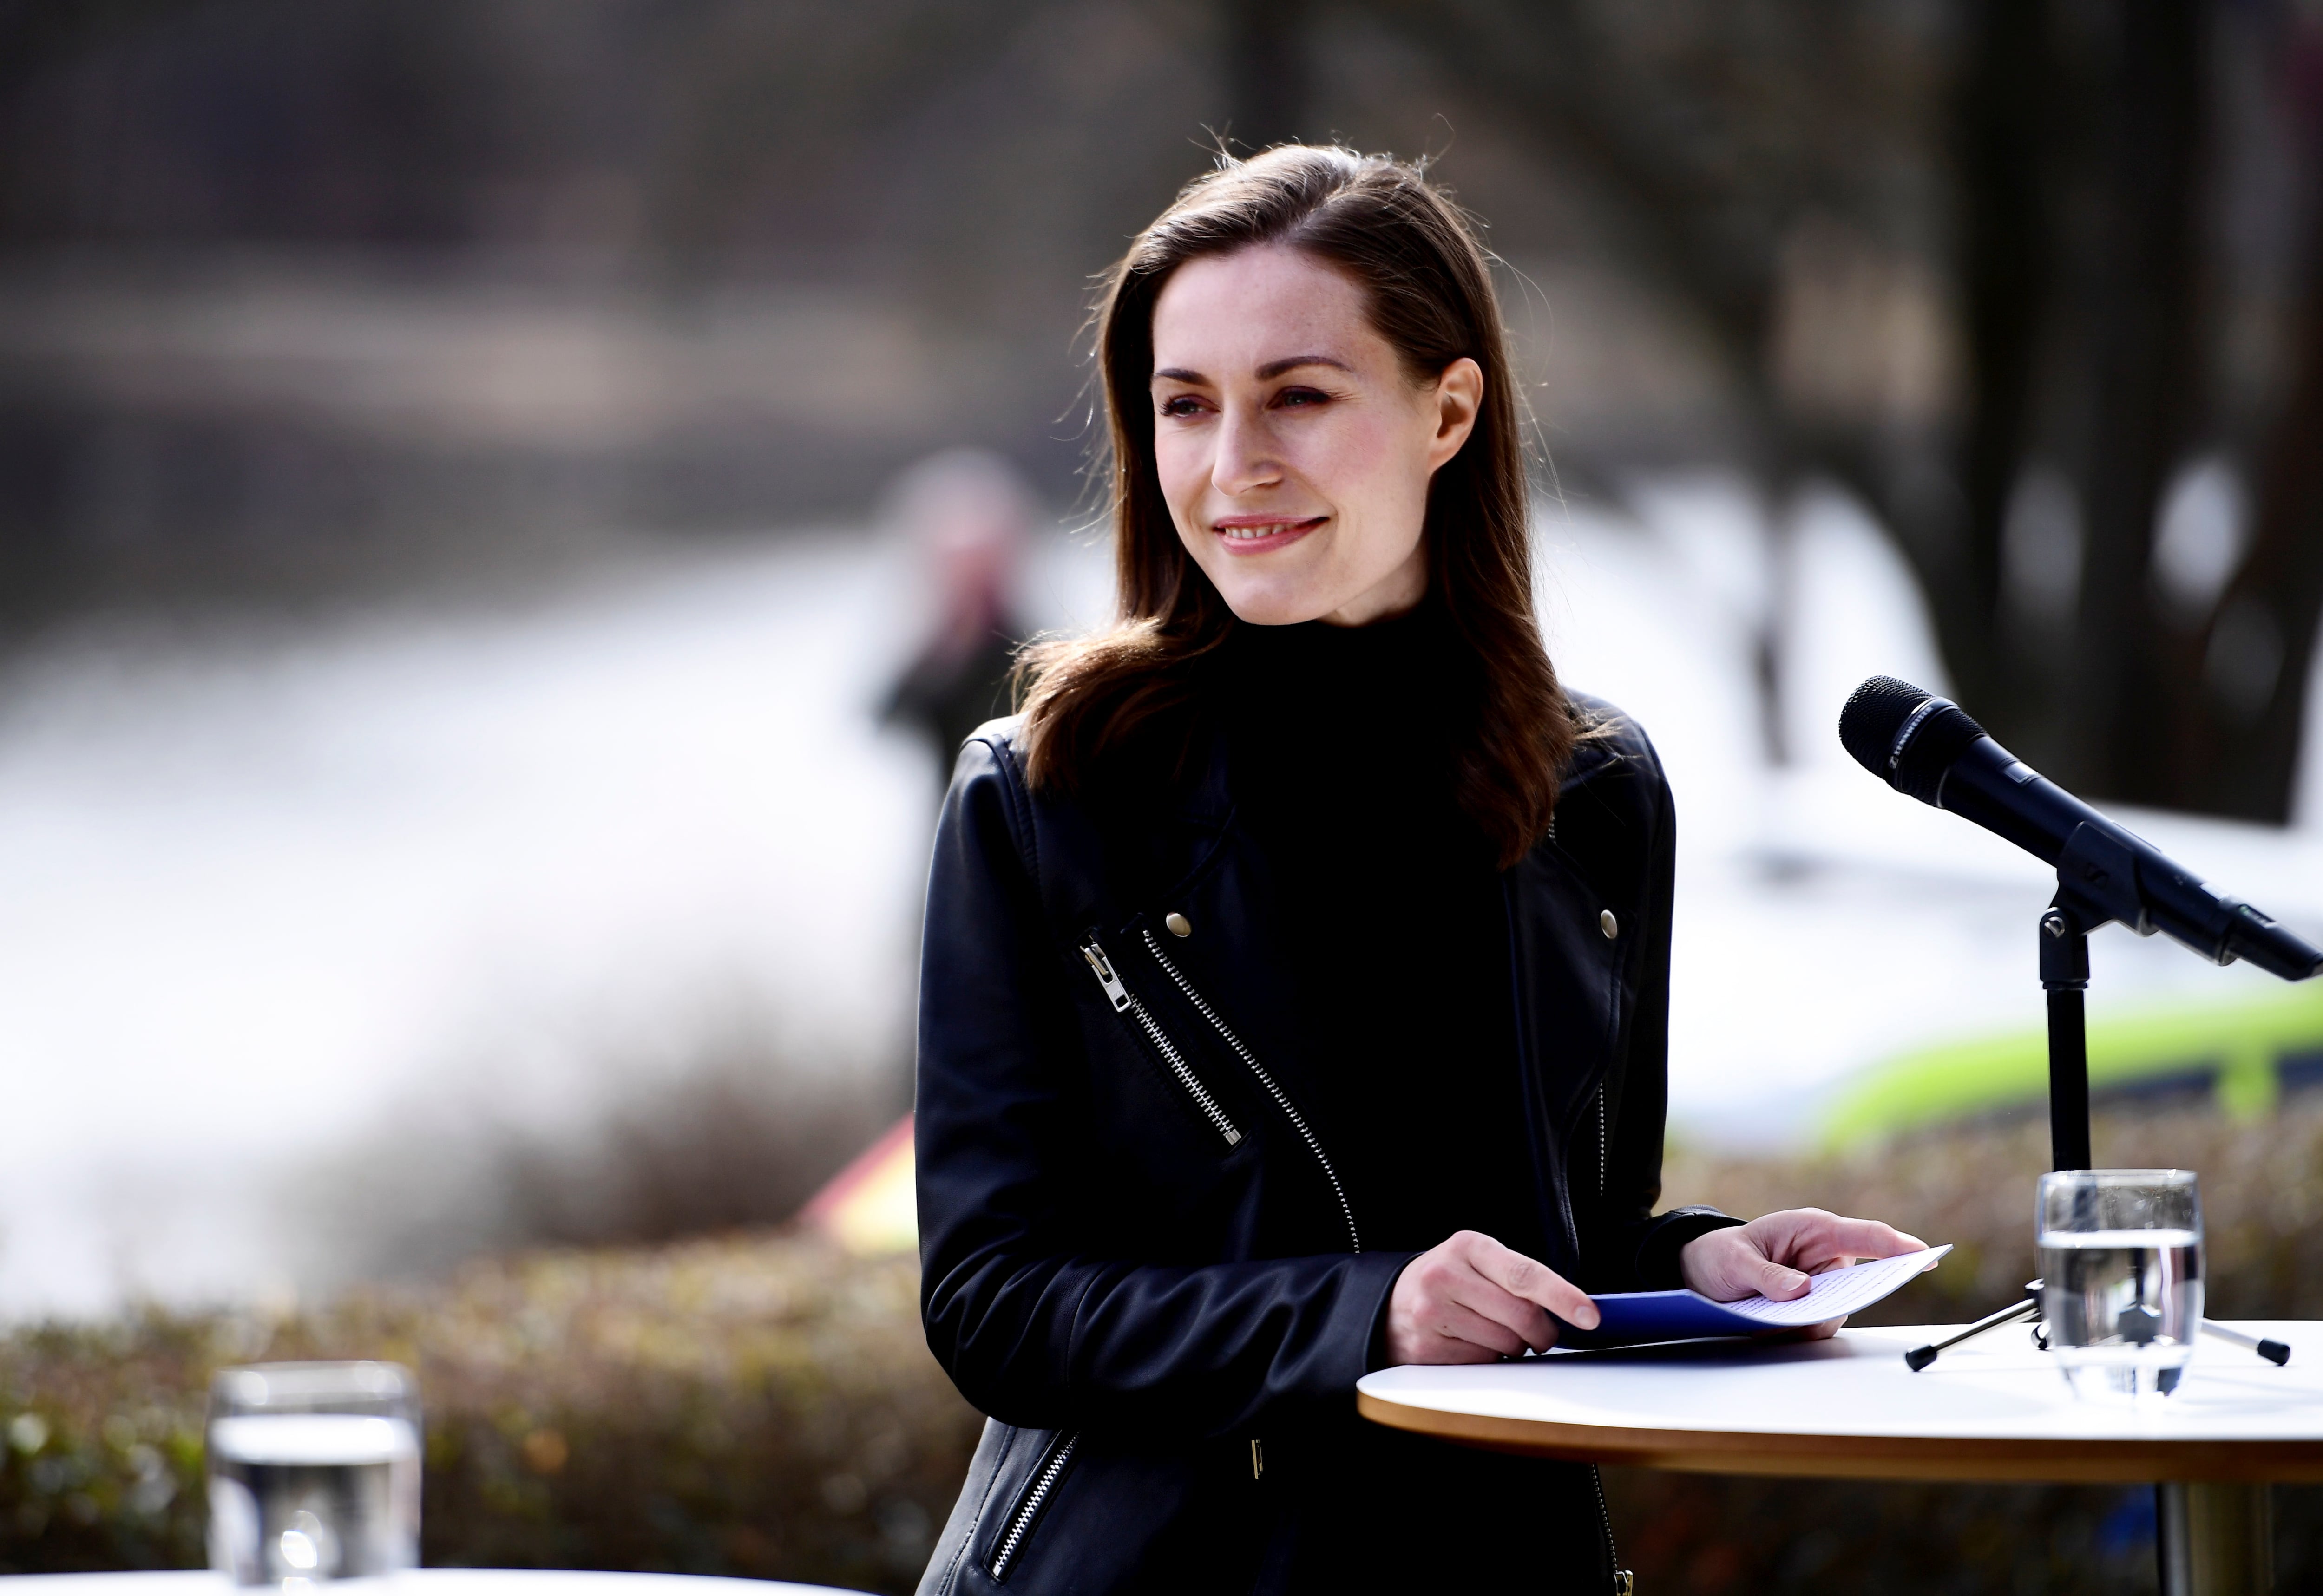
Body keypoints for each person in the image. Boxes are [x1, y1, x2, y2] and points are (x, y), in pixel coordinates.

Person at [911, 146, 1923, 1596]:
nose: (1233, 463)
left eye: (1300, 395)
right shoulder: (1047, 789)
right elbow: (993, 1299)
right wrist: (1365, 1311)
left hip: (1491, 1561)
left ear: (1449, 409)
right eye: (1186, 404)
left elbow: (1558, 1236)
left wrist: (1701, 1269)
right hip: (1156, 1568)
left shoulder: (1597, 789)